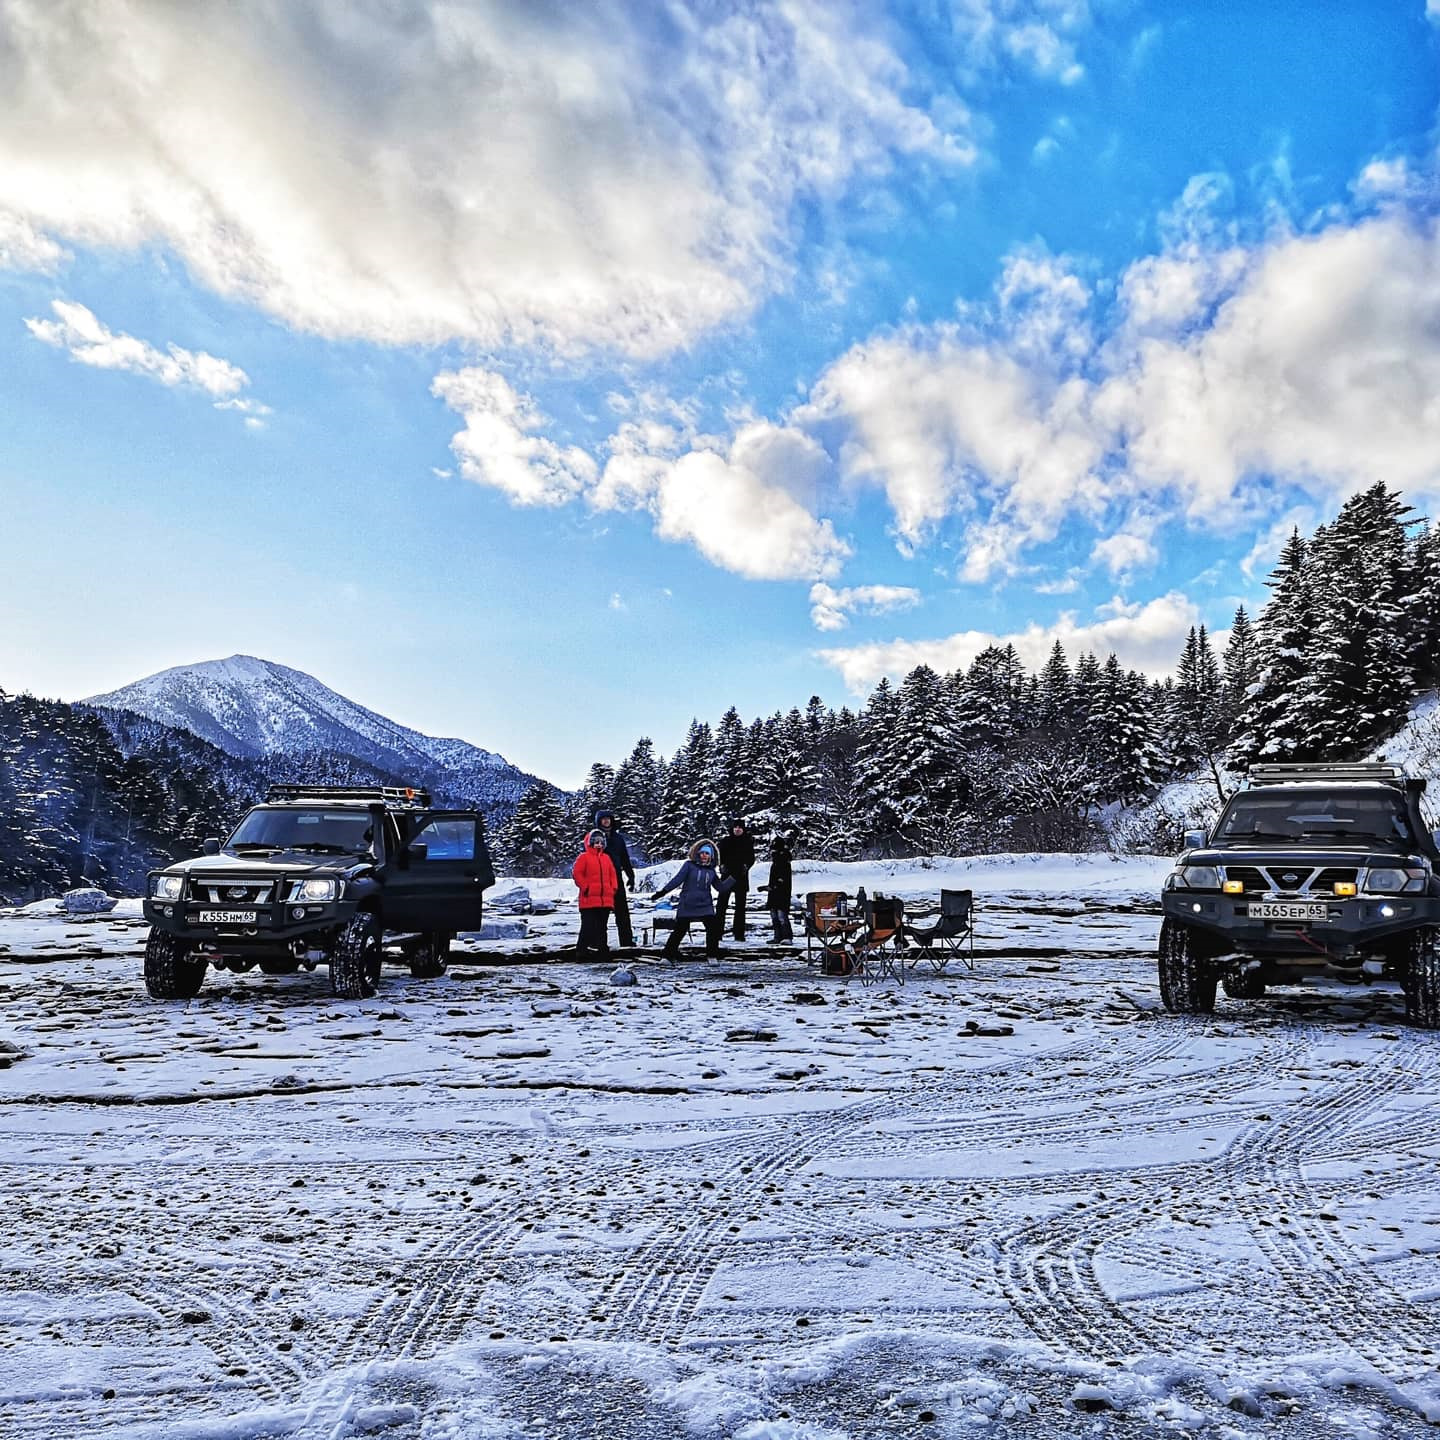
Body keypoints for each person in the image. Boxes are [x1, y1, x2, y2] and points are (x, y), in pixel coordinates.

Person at [652, 839, 724, 960]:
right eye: (702, 853)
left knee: (713, 928)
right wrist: (662, 892)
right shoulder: (689, 865)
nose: (704, 856)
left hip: (705, 904)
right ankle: (668, 955)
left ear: (711, 856)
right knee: (680, 930)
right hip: (687, 903)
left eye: (707, 853)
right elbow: (677, 880)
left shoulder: (711, 871)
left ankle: (712, 955)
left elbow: (721, 888)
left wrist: (734, 877)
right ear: (697, 854)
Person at [593, 808, 637, 948]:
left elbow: (624, 858)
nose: (606, 821)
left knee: (622, 913)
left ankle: (627, 942)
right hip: (601, 879)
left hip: (617, 878)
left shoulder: (618, 838)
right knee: (601, 914)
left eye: (608, 818)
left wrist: (630, 875)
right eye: (603, 819)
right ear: (599, 821)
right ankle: (599, 945)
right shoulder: (595, 837)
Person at [571, 828, 618, 957]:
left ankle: (602, 950)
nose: (598, 844)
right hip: (589, 900)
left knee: (602, 928)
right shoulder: (584, 857)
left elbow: (612, 874)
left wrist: (613, 888)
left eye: (601, 842)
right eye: (596, 842)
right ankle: (581, 951)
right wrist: (586, 887)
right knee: (587, 927)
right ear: (590, 843)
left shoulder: (606, 858)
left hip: (605, 900)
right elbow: (577, 874)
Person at [717, 818, 756, 941]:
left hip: (741, 876)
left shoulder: (747, 842)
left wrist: (746, 866)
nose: (737, 829)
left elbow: (751, 858)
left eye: (740, 827)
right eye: (736, 827)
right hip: (726, 876)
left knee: (740, 907)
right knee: (721, 906)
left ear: (743, 829)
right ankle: (717, 932)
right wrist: (721, 866)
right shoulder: (725, 841)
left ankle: (739, 933)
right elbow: (718, 856)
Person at [762, 834, 794, 943]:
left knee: (781, 915)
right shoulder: (776, 862)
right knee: (775, 915)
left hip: (781, 893)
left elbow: (783, 879)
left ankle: (786, 936)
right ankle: (778, 936)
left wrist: (774, 886)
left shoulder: (783, 861)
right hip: (774, 892)